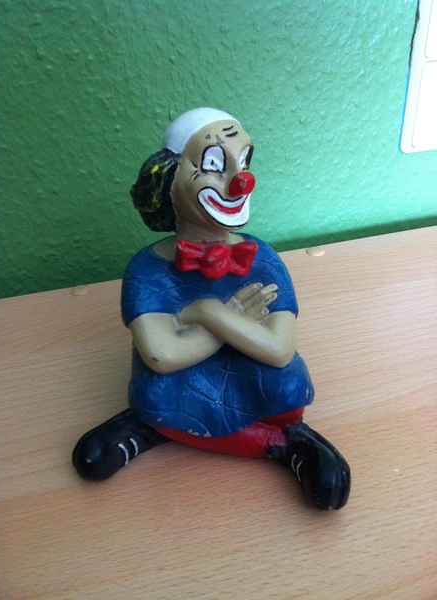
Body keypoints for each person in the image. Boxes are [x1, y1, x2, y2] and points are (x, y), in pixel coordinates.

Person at [72, 108, 350, 511]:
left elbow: (279, 349)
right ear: (169, 179)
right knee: (155, 387)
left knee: (288, 385)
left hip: (245, 365)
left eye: (244, 161)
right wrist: (234, 319)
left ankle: (178, 429)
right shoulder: (147, 268)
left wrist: (210, 313)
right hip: (184, 369)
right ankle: (268, 442)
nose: (240, 180)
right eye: (216, 164)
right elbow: (162, 354)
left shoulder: (262, 259)